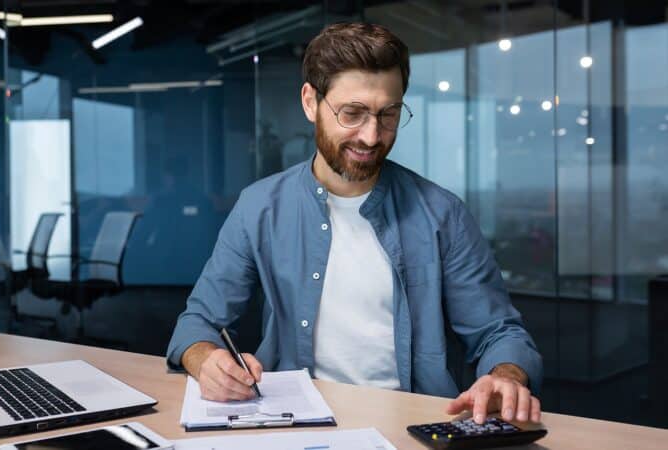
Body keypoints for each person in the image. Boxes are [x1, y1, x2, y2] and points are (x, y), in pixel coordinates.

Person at [167, 22, 543, 425]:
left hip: (411, 427)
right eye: (353, 113)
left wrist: (505, 376)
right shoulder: (259, 207)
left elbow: (500, 332)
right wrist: (205, 359)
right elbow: (197, 323)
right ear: (311, 102)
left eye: (389, 114)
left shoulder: (443, 214)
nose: (371, 135)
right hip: (292, 424)